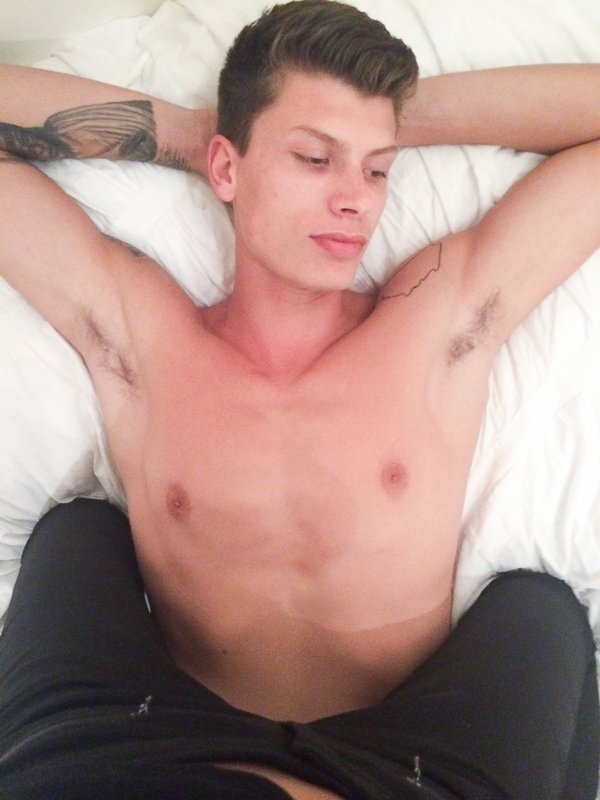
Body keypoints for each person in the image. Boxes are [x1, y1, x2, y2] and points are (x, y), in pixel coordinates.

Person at [0, 1, 598, 798]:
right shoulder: (145, 337)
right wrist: (199, 134)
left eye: (377, 172)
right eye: (315, 159)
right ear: (226, 169)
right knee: (73, 534)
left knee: (544, 612)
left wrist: (387, 124)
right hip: (173, 730)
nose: (357, 199)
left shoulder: (433, 319)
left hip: (409, 747)